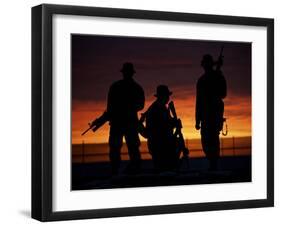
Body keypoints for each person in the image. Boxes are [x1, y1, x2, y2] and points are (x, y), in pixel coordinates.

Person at [106, 62, 145, 175]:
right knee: (118, 148)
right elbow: (140, 105)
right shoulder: (135, 88)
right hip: (123, 123)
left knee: (129, 148)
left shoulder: (116, 87)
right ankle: (117, 171)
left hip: (125, 123)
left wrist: (125, 108)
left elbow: (140, 105)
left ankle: (131, 171)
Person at [195, 54, 227, 170]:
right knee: (206, 142)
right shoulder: (201, 81)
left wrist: (219, 77)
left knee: (213, 141)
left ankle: (214, 165)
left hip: (214, 115)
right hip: (205, 117)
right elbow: (198, 101)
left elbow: (223, 93)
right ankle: (212, 164)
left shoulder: (217, 77)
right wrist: (197, 120)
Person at [145, 85, 178, 172]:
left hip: (162, 144)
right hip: (159, 145)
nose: (168, 98)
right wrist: (173, 123)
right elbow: (160, 128)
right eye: (166, 96)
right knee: (162, 169)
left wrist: (174, 123)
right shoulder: (156, 109)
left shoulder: (162, 108)